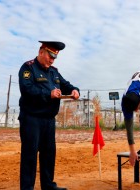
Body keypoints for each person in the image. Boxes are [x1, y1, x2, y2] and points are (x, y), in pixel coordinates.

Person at [18, 41, 80, 190]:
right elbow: (27, 89)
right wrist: (49, 93)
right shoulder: (28, 67)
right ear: (41, 52)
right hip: (31, 118)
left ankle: (48, 185)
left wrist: (75, 90)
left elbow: (67, 85)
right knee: (30, 155)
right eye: (50, 56)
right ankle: (27, 188)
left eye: (54, 58)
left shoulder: (54, 71)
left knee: (48, 154)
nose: (52, 60)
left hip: (49, 120)